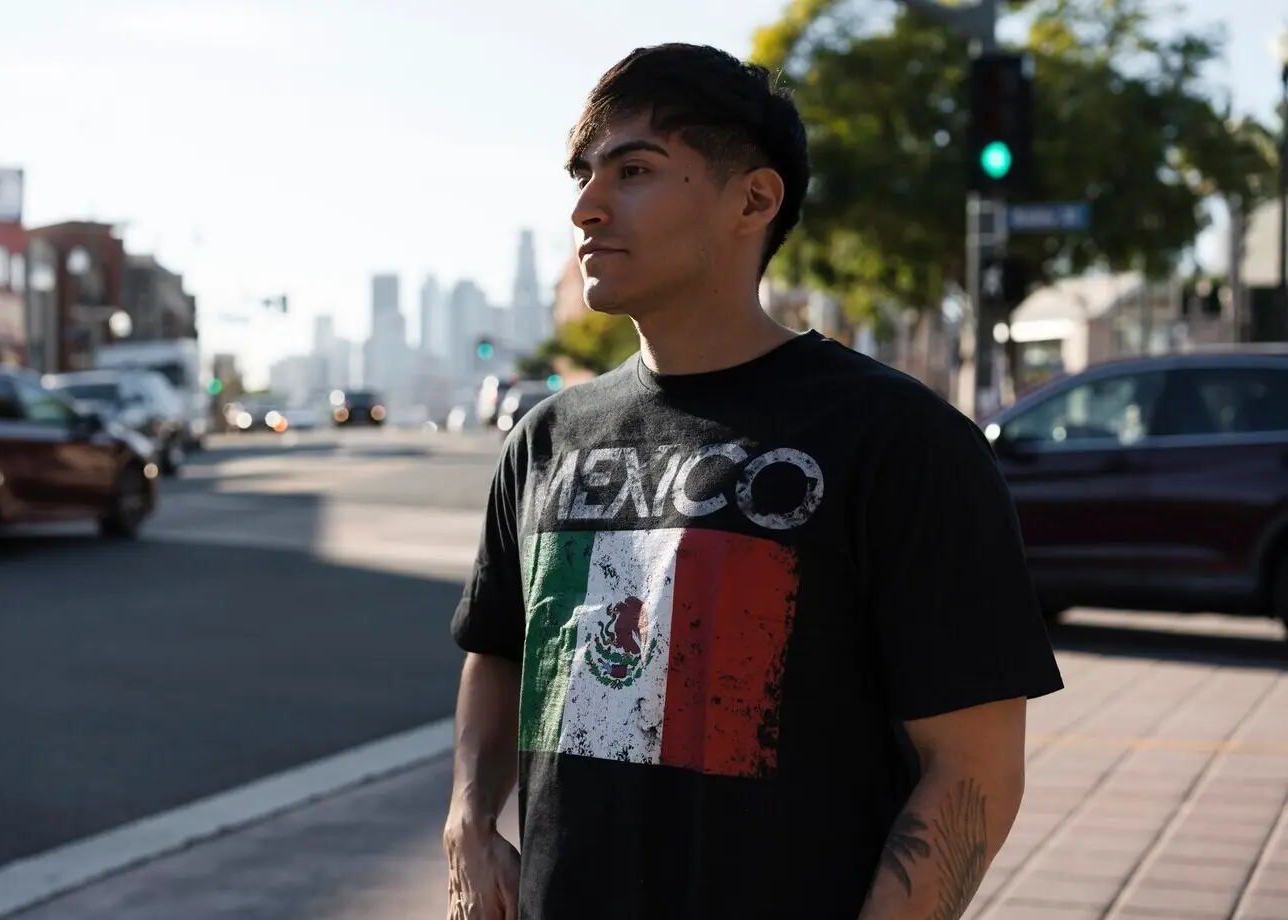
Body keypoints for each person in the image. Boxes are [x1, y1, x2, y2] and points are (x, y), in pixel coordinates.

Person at [443, 42, 1064, 920]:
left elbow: (975, 768)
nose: (586, 206)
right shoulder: (547, 440)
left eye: (634, 169)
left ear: (755, 199)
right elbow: (499, 647)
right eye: (583, 174)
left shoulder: (900, 440)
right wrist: (469, 817)